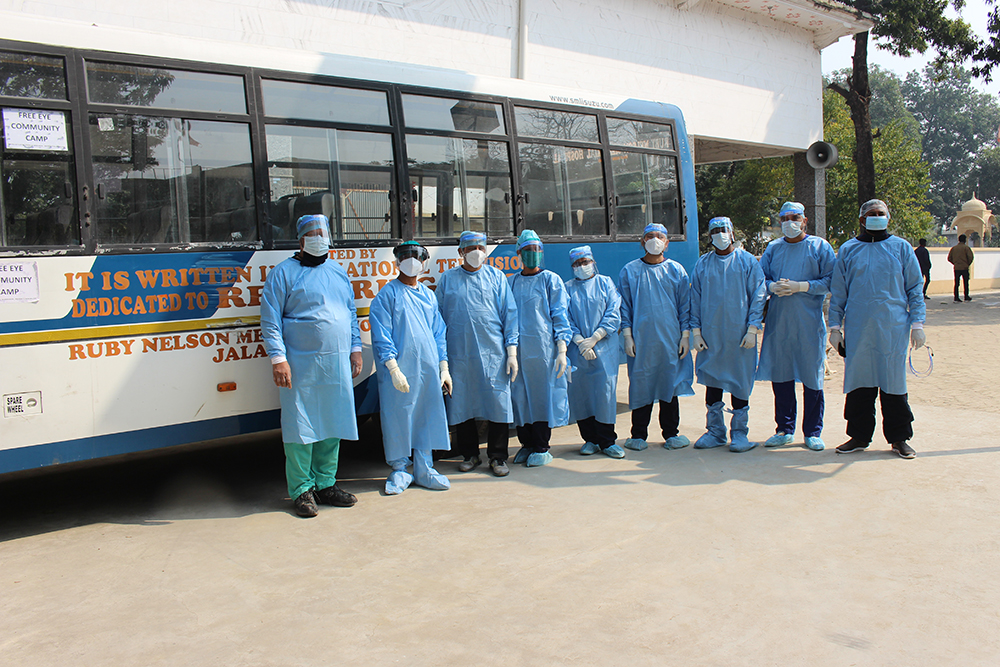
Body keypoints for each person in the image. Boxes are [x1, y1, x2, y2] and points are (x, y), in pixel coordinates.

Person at [261, 214, 362, 518]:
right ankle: (302, 490)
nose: (320, 237)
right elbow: (270, 320)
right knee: (300, 425)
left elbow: (350, 313)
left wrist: (355, 350)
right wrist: (278, 359)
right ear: (301, 239)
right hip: (300, 364)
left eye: (323, 232)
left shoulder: (337, 272)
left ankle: (326, 484)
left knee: (333, 422)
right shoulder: (283, 273)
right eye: (313, 232)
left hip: (336, 361)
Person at [829, 199, 927, 459]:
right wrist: (835, 327)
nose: (876, 217)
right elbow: (838, 293)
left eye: (881, 213)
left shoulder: (901, 248)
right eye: (871, 214)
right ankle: (859, 436)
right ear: (862, 219)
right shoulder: (849, 250)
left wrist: (917, 323)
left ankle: (899, 438)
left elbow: (914, 288)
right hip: (859, 327)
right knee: (860, 382)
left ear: (888, 217)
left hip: (892, 327)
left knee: (892, 382)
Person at [369, 241, 453, 493]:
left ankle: (425, 467)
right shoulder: (387, 295)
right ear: (396, 261)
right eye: (406, 256)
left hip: (428, 370)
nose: (412, 260)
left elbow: (439, 333)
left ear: (424, 262)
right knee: (399, 416)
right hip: (400, 370)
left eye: (417, 256)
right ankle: (399, 469)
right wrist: (393, 369)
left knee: (426, 415)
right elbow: (382, 335)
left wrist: (444, 368)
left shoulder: (428, 296)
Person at [435, 231, 519, 478]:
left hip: (493, 353)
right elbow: (438, 319)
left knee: (498, 404)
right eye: (470, 247)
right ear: (460, 252)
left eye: (480, 247)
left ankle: (498, 456)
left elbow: (509, 315)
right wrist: (442, 359)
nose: (476, 252)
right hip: (459, 355)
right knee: (462, 404)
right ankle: (470, 454)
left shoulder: (496, 278)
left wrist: (511, 351)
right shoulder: (448, 280)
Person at [757, 202, 836, 451]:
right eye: (785, 218)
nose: (790, 222)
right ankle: (784, 428)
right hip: (779, 323)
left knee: (812, 377)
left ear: (805, 220)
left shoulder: (819, 247)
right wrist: (771, 287)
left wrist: (802, 286)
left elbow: (831, 280)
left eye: (795, 217)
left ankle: (813, 431)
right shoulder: (773, 248)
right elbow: (760, 278)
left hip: (809, 323)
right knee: (781, 376)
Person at [689, 217, 767, 452]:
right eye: (714, 231)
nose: (720, 234)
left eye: (723, 230)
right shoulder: (703, 264)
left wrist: (753, 328)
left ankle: (740, 434)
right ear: (709, 236)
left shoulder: (747, 262)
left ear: (732, 233)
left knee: (739, 383)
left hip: (740, 335)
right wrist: (696, 331)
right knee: (713, 381)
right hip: (711, 336)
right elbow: (696, 299)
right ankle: (715, 432)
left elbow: (759, 294)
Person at [618, 223, 694, 452]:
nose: (654, 240)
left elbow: (685, 306)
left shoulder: (676, 271)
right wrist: (628, 334)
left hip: (670, 339)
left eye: (659, 236)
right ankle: (638, 434)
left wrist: (685, 335)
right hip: (642, 340)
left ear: (667, 243)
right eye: (649, 236)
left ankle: (671, 433)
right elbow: (624, 306)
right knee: (642, 384)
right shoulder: (630, 271)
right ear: (642, 242)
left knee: (669, 385)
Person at [508, 229, 572, 467]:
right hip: (519, 352)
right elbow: (506, 317)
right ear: (519, 253)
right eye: (527, 250)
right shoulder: (511, 282)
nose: (532, 254)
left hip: (545, 351)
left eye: (536, 250)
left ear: (541, 252)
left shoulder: (550, 280)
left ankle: (542, 446)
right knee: (520, 397)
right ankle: (526, 444)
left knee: (542, 396)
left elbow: (560, 316)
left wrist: (562, 349)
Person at [564, 245, 625, 459]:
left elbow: (613, 311)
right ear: (572, 267)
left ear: (593, 262)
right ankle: (589, 439)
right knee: (581, 394)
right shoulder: (567, 288)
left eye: (585, 262)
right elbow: (565, 318)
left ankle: (608, 441)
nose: (582, 266)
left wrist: (595, 338)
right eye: (578, 264)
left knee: (605, 392)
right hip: (578, 350)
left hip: (604, 348)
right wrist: (580, 341)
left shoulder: (605, 283)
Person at [947, 234, 975, 302]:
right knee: (966, 282)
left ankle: (956, 297)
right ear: (965, 240)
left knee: (956, 283)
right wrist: (967, 264)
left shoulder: (954, 248)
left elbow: (949, 258)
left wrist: (955, 263)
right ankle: (966, 296)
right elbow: (970, 257)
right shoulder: (966, 248)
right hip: (964, 267)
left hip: (956, 267)